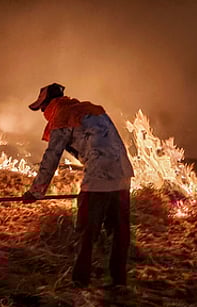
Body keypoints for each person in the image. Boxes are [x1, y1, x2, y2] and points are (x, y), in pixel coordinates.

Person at [23, 83, 134, 287]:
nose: (43, 113)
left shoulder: (62, 116)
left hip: (98, 178)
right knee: (120, 231)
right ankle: (120, 282)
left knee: (86, 231)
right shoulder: (90, 110)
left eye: (42, 108)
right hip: (123, 174)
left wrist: (35, 192)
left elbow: (51, 157)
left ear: (49, 104)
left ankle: (80, 283)